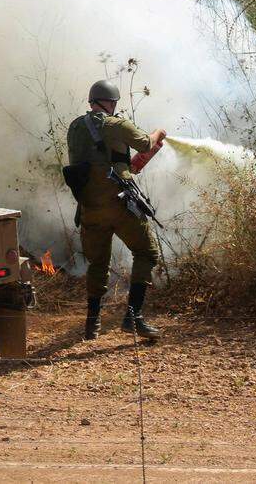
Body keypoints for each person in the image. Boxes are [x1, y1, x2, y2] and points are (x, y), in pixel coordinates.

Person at [64, 80, 166, 341]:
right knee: (146, 252)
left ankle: (91, 325)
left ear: (92, 101)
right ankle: (134, 318)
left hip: (89, 208)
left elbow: (96, 161)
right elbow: (144, 143)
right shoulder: (116, 124)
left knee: (98, 263)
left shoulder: (75, 128)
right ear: (110, 103)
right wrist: (158, 133)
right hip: (119, 205)